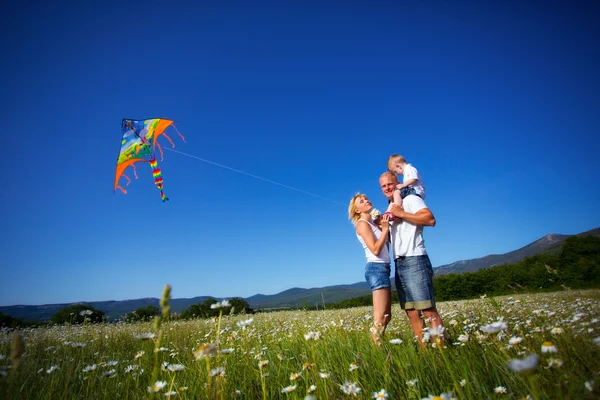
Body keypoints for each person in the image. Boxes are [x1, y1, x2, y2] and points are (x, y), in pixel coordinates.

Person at [379, 172, 444, 346]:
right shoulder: (390, 207)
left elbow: (430, 219)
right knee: (412, 313)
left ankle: (442, 353)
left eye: (390, 184)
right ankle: (424, 354)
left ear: (397, 183)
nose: (387, 188)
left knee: (428, 310)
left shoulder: (410, 199)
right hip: (399, 263)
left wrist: (402, 213)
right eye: (383, 186)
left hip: (415, 259)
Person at [348, 193, 392, 344]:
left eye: (366, 199)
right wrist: (385, 229)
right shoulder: (362, 224)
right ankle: (376, 350)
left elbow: (386, 246)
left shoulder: (372, 223)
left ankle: (379, 345)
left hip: (383, 268)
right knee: (380, 317)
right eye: (362, 201)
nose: (367, 201)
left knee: (386, 316)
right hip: (376, 268)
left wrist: (380, 225)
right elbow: (375, 249)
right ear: (357, 210)